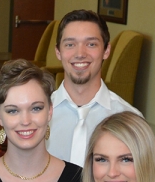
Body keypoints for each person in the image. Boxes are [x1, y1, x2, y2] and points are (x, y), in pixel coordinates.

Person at [45, 10, 140, 165]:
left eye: (91, 44)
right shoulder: (38, 116)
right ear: (58, 52)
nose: (80, 53)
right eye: (70, 44)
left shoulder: (129, 118)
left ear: (106, 51)